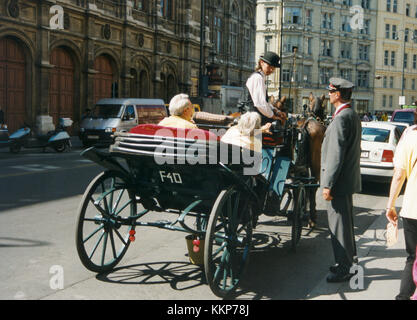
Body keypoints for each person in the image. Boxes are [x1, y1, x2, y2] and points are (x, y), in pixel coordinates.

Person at [320, 77, 362, 283]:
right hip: (346, 181)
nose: (328, 95)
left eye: (330, 92)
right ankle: (351, 263)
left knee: (338, 226)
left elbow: (335, 155)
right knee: (345, 224)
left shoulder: (340, 118)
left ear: (337, 94)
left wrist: (327, 184)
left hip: (338, 183)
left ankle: (344, 268)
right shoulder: (351, 114)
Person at [385, 125, 417, 300]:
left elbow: (399, 175)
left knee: (412, 257)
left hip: (413, 207)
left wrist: (390, 205)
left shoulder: (410, 136)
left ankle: (403, 297)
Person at [244, 52, 286, 126]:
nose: (271, 69)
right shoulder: (257, 78)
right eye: (269, 66)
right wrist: (273, 116)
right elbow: (260, 104)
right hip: (252, 118)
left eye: (273, 68)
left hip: (256, 115)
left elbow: (264, 103)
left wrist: (276, 110)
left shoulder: (260, 77)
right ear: (261, 63)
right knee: (277, 126)